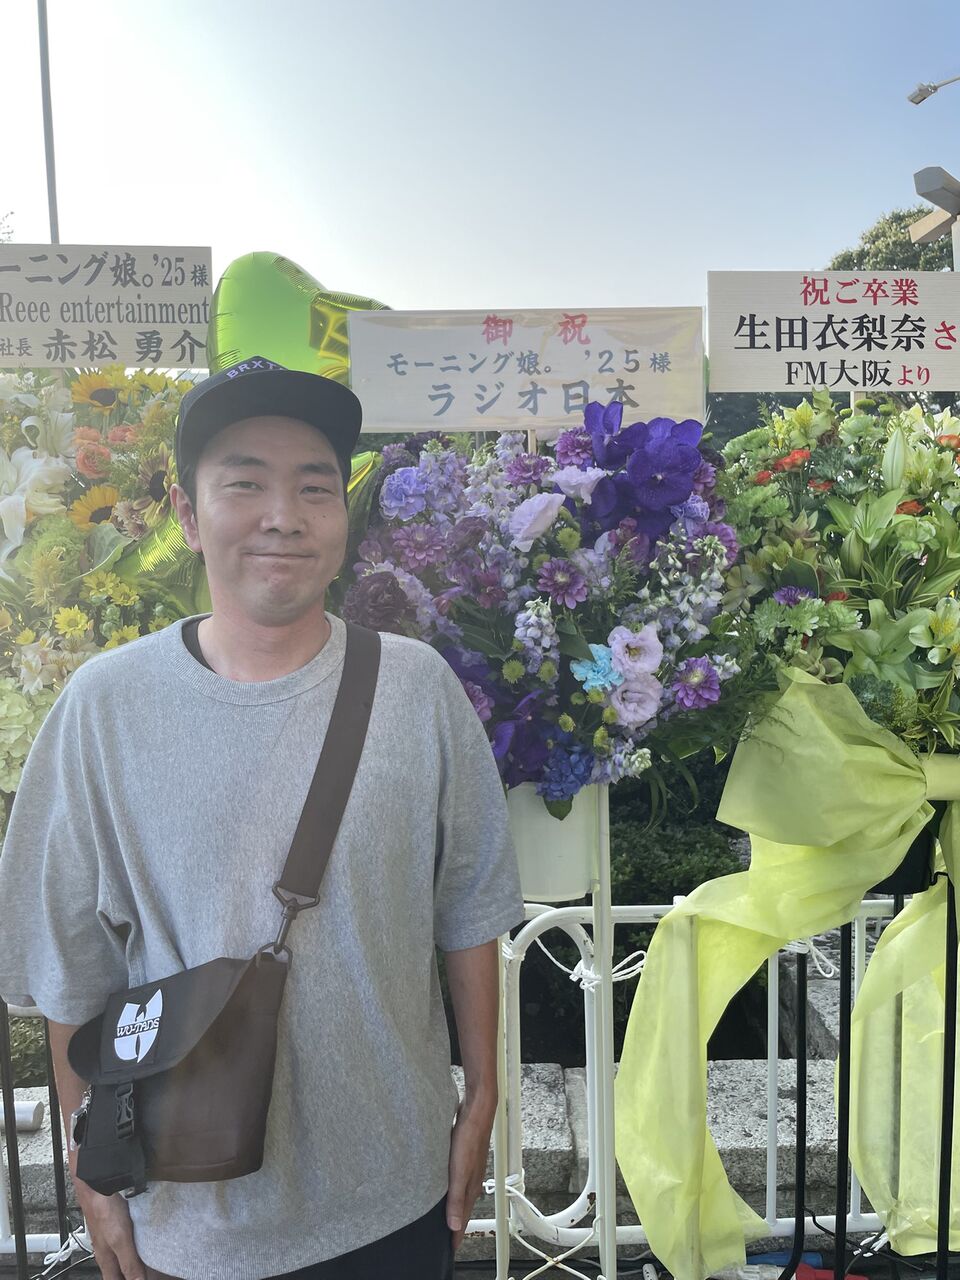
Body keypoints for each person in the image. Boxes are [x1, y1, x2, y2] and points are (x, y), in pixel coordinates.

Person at [0, 356, 525, 1280]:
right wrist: (94, 1169)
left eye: (314, 487)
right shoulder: (103, 709)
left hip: (392, 1197)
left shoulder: (417, 690)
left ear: (343, 518)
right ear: (186, 513)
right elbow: (67, 963)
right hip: (185, 1215)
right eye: (244, 483)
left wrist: (482, 1097)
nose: (283, 515)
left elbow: (470, 905)